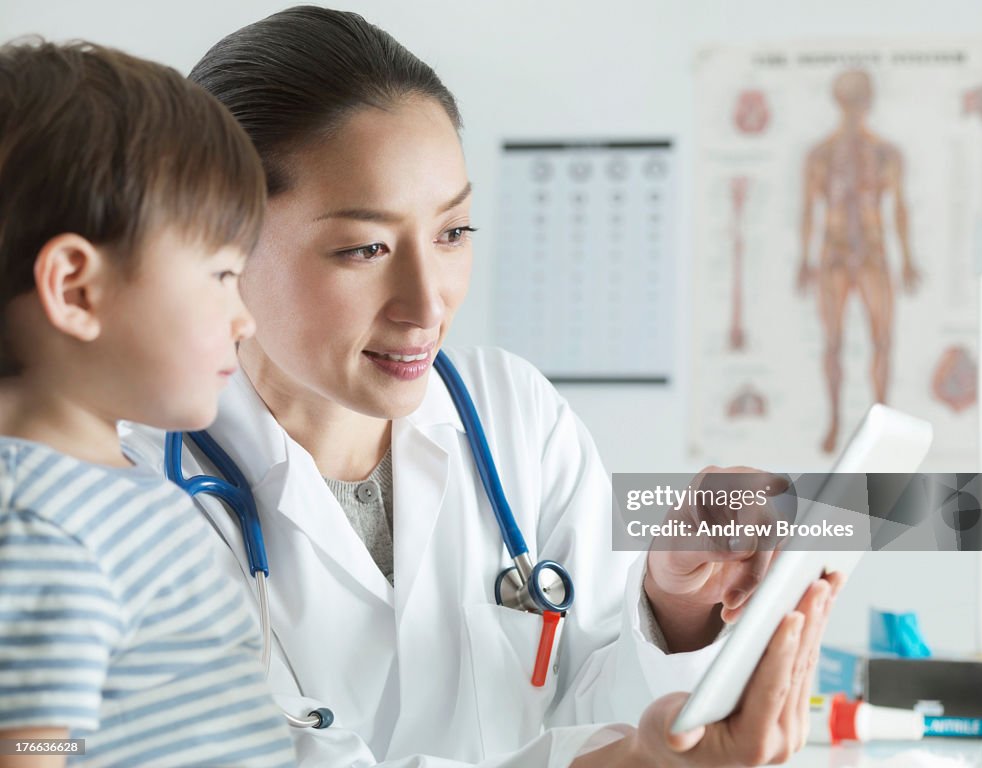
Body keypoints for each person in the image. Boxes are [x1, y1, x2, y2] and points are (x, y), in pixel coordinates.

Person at [121, 7, 842, 766]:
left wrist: (678, 603)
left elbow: (607, 709)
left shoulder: (514, 415)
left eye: (453, 232)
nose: (429, 305)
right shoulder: (133, 483)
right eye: (365, 247)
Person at [0, 40, 296, 768]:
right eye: (222, 274)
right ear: (76, 289)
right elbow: (29, 747)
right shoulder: (50, 527)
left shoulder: (103, 482)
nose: (245, 317)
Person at [797, 69, 921, 454]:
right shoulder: (819, 155)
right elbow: (808, 210)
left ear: (868, 102)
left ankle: (880, 421)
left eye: (859, 99)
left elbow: (899, 208)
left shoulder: (886, 154)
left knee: (882, 340)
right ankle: (834, 420)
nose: (854, 108)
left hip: (872, 253)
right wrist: (804, 258)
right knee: (833, 342)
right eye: (848, 99)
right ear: (839, 102)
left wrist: (908, 258)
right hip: (833, 254)